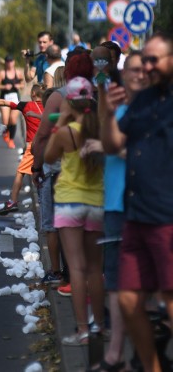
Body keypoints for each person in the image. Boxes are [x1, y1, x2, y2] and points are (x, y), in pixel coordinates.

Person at [100, 32, 173, 372]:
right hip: (135, 214)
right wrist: (111, 110)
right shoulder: (141, 101)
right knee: (128, 300)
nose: (148, 66)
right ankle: (152, 367)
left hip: (166, 216)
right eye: (146, 59)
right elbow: (113, 145)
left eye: (155, 59)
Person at [88, 51, 147, 372]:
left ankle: (136, 354)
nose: (138, 75)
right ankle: (115, 356)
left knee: (141, 284)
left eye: (144, 70)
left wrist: (112, 148)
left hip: (144, 205)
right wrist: (100, 93)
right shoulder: (119, 108)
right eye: (132, 70)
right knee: (116, 281)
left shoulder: (156, 110)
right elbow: (103, 133)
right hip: (114, 204)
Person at [44, 77, 105, 347]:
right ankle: (99, 326)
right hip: (96, 202)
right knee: (95, 268)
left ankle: (82, 330)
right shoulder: (99, 128)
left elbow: (46, 156)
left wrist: (60, 121)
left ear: (69, 102)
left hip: (70, 202)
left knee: (77, 269)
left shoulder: (66, 132)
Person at [0, 84, 45, 216]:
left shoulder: (26, 105)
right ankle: (44, 199)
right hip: (47, 144)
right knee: (41, 174)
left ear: (33, 93)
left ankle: (13, 201)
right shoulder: (48, 107)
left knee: (20, 173)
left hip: (32, 147)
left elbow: (4, 102)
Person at [0, 54, 24, 148]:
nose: (9, 63)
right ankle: (5, 133)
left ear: (13, 62)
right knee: (5, 121)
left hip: (15, 99)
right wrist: (4, 87)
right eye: (8, 62)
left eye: (11, 61)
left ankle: (11, 140)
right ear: (6, 63)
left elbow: (23, 84)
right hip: (4, 99)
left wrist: (19, 86)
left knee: (13, 120)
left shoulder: (18, 72)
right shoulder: (2, 73)